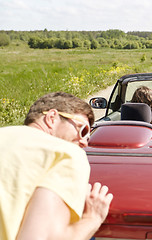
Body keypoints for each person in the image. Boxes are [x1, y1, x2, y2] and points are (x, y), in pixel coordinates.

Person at [0, 92, 113, 240]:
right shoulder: (65, 153)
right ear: (51, 118)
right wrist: (93, 218)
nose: (85, 142)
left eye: (89, 137)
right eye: (83, 130)